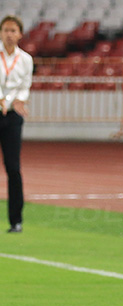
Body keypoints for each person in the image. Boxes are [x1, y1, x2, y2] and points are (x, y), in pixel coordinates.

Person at [0, 15, 32, 234]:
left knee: (13, 168)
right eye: (5, 30)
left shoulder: (26, 59)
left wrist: (16, 101)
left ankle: (16, 220)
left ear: (20, 34)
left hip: (12, 116)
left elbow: (24, 86)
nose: (9, 34)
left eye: (13, 30)